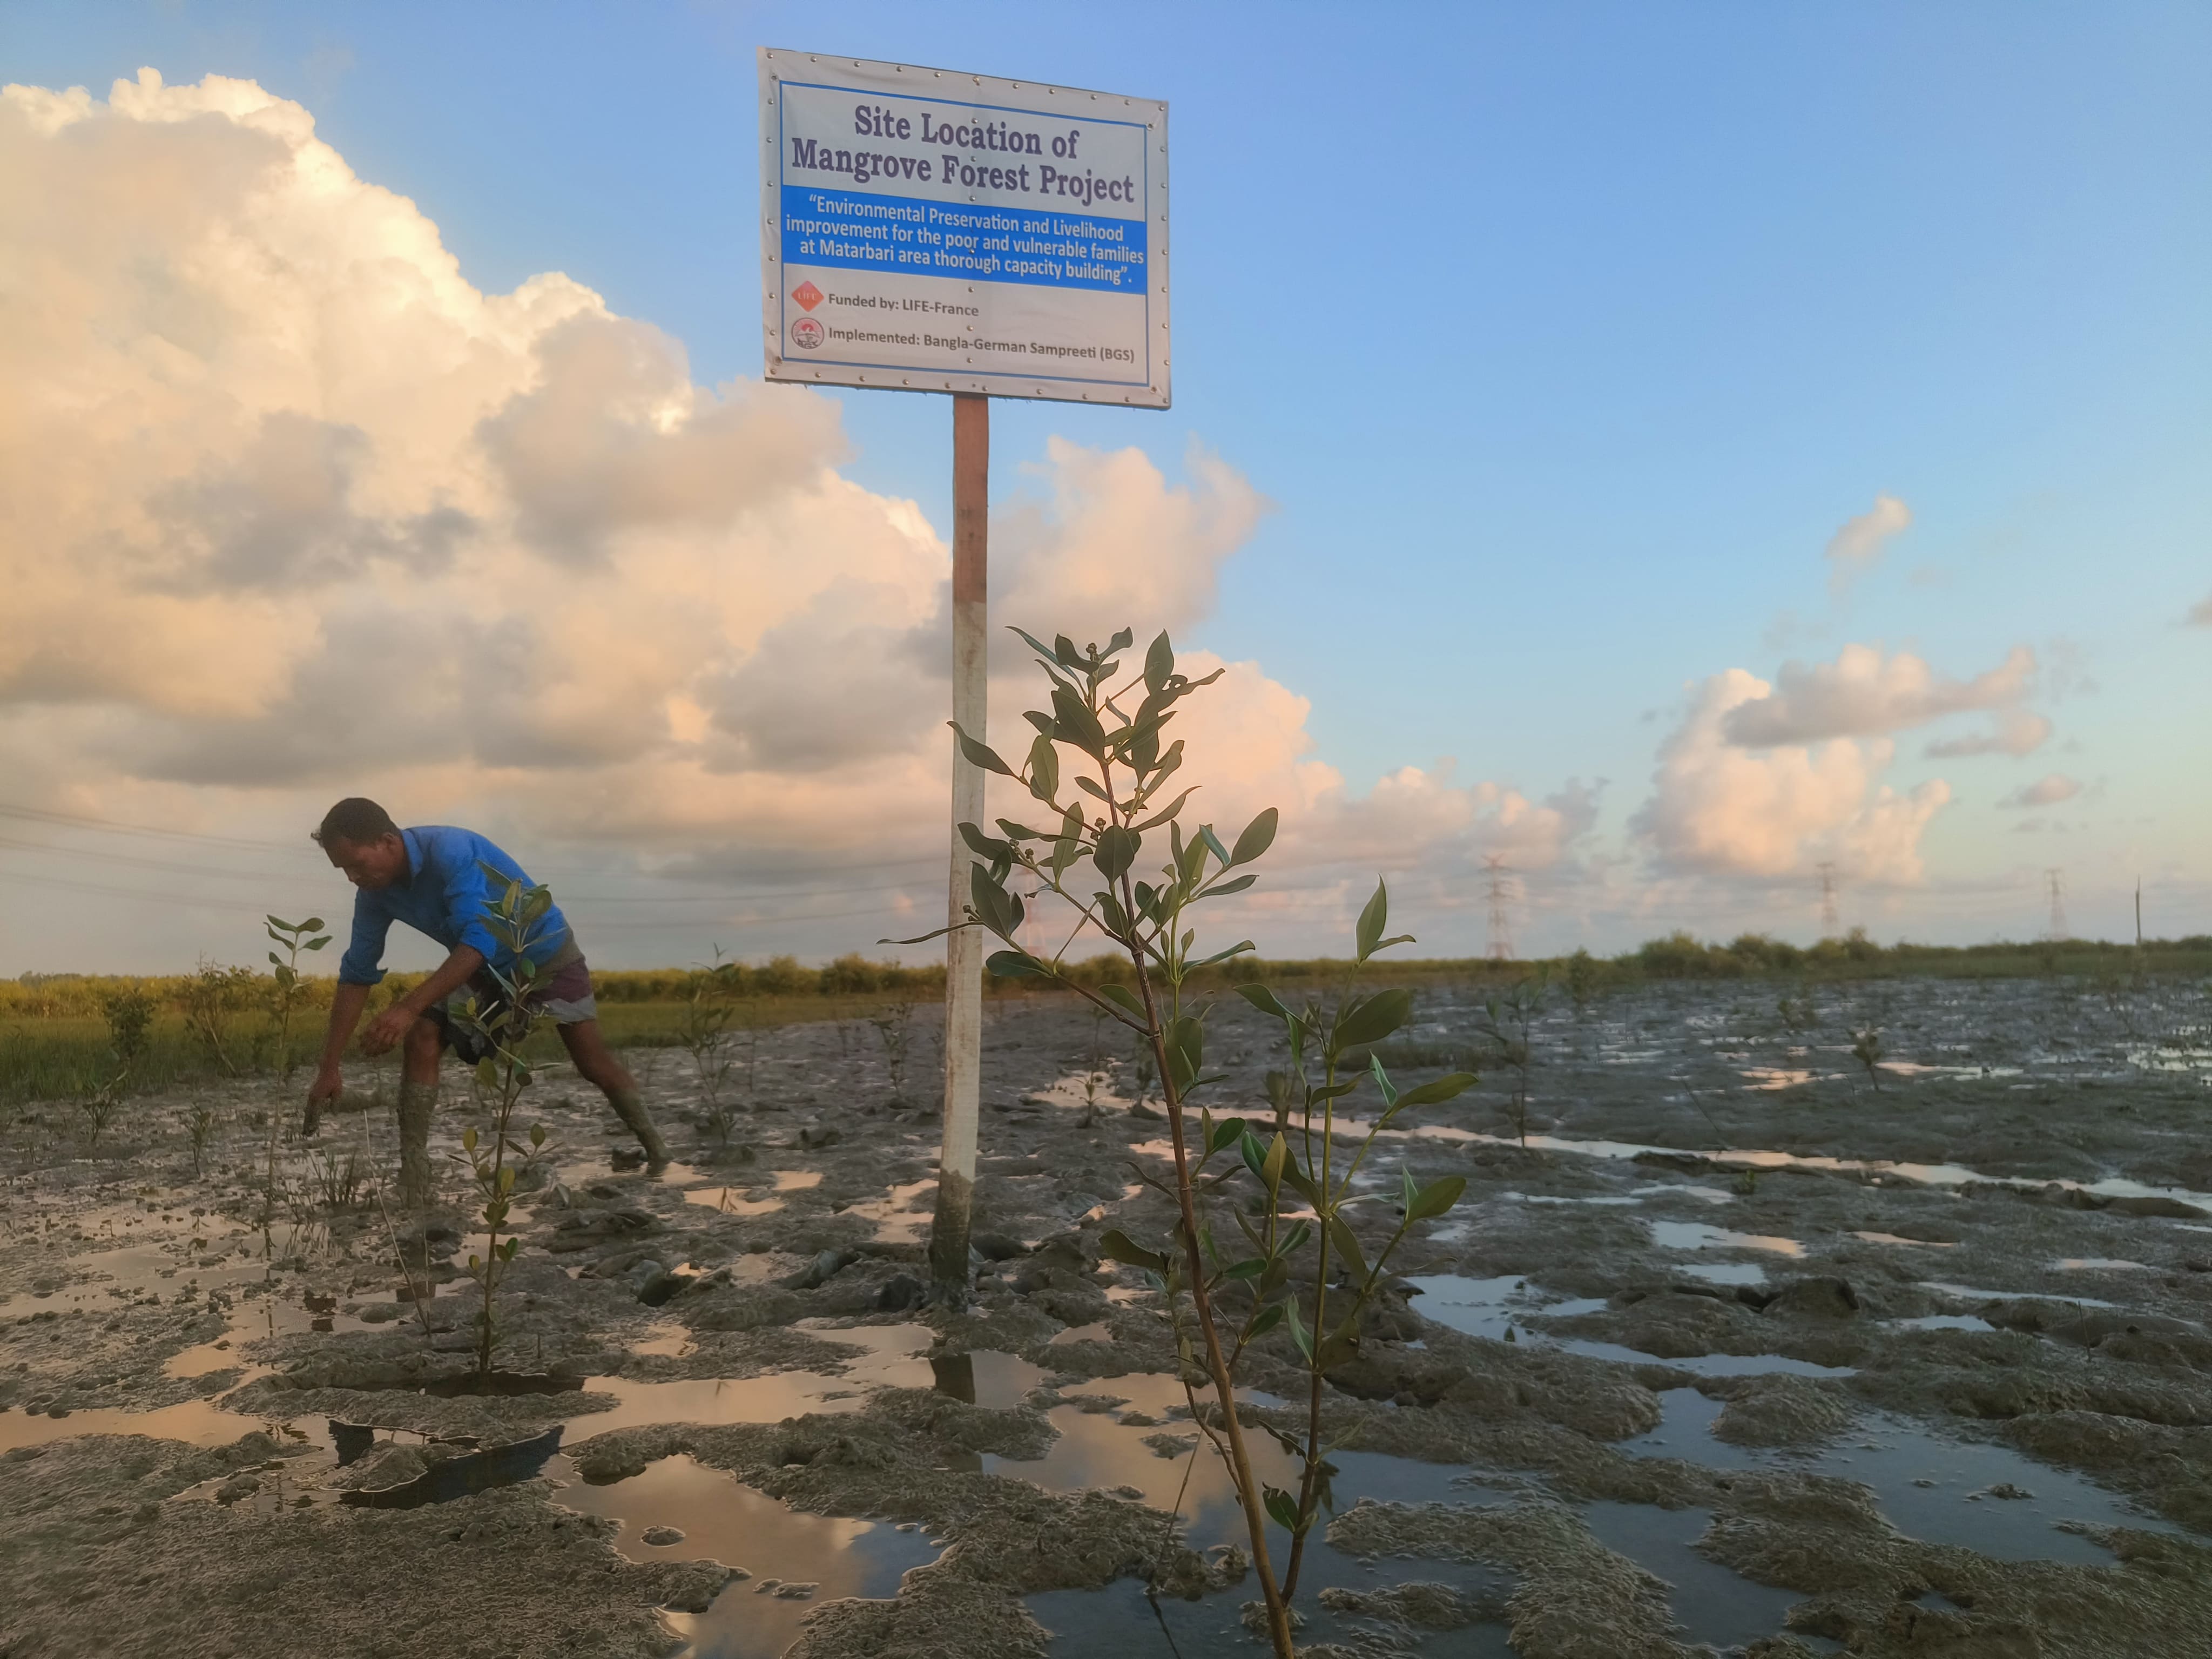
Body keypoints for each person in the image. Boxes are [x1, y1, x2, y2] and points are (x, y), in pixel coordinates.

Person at [302, 798, 670, 1205]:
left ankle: (658, 1151)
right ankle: (414, 1180)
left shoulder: (451, 853)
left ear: (388, 842)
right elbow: (357, 974)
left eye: (357, 865)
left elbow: (480, 939)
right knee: (423, 1035)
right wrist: (329, 1068)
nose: (353, 878)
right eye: (344, 871)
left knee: (591, 1062)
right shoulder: (374, 895)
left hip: (543, 954)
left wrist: (405, 1008)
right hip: (482, 966)